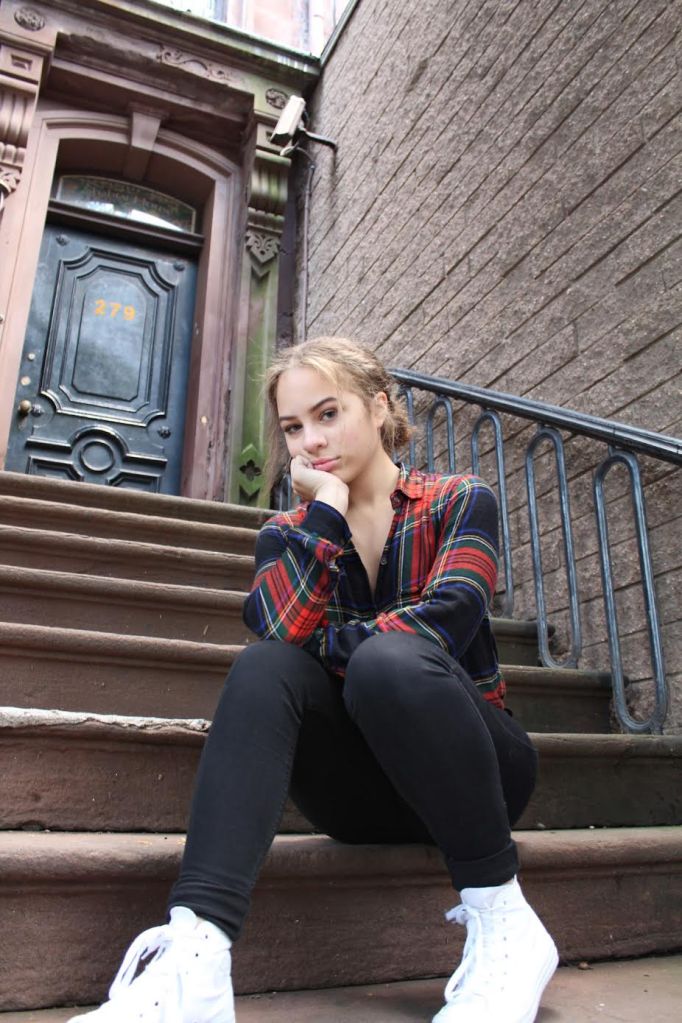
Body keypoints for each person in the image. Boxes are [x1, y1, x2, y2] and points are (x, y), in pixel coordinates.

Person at [68, 337, 558, 1023]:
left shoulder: (458, 500)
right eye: (294, 427)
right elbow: (276, 633)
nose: (312, 441)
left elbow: (447, 620)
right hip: (357, 799)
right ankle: (195, 959)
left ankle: (507, 921)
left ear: (379, 406)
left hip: (479, 772)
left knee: (389, 663)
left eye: (328, 414)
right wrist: (326, 509)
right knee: (266, 666)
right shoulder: (289, 534)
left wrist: (333, 649)